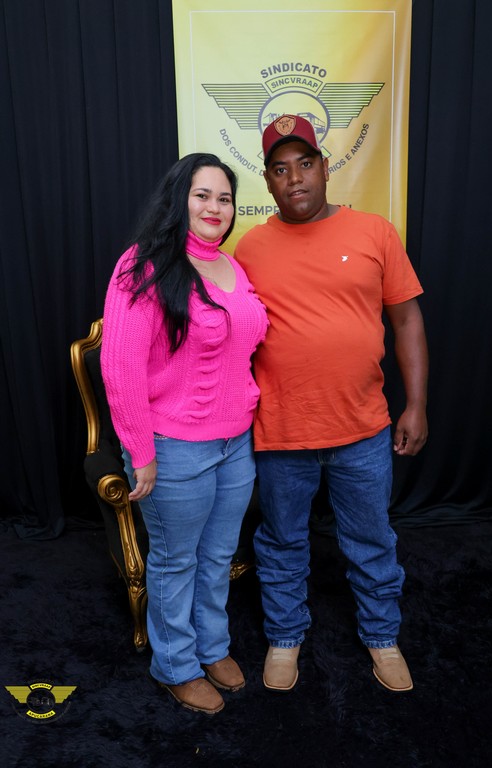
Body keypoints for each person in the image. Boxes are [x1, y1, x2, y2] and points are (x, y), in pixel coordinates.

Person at [235, 115, 428, 693]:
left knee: (371, 540)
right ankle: (284, 636)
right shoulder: (251, 247)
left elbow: (407, 320)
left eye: (305, 164)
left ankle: (382, 636)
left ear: (325, 167)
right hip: (281, 430)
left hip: (362, 427)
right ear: (268, 181)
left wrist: (416, 404)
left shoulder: (375, 232)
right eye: (280, 169)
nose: (294, 178)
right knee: (281, 541)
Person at [101, 153, 268, 715]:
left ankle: (212, 646)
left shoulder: (232, 267)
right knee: (176, 561)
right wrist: (140, 452)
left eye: (225, 198)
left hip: (235, 444)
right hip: (173, 448)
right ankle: (175, 664)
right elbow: (120, 367)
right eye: (202, 195)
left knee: (218, 555)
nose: (215, 207)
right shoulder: (142, 265)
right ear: (179, 198)